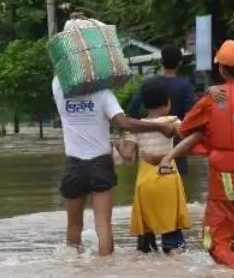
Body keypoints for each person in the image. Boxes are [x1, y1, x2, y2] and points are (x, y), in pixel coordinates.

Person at [160, 40, 234, 269]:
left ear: (222, 69)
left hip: (224, 178)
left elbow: (186, 128)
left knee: (216, 241)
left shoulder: (213, 99)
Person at [53, 75, 178, 257]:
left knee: (73, 224)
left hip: (73, 164)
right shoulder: (103, 94)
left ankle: (74, 271)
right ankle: (107, 272)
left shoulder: (59, 89)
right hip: (101, 162)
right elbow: (124, 123)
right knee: (103, 223)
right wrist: (158, 127)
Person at [116, 78, 190, 254]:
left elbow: (127, 156)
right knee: (172, 237)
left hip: (145, 184)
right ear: (168, 102)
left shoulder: (136, 127)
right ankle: (173, 250)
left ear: (145, 104)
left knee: (145, 247)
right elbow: (188, 141)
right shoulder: (173, 121)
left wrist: (118, 143)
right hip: (168, 179)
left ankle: (146, 249)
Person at [130, 45, 197, 173]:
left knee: (148, 174)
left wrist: (145, 124)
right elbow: (192, 114)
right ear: (180, 63)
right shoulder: (185, 85)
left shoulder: (149, 84)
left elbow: (133, 108)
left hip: (149, 140)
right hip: (177, 142)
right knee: (178, 178)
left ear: (161, 61)